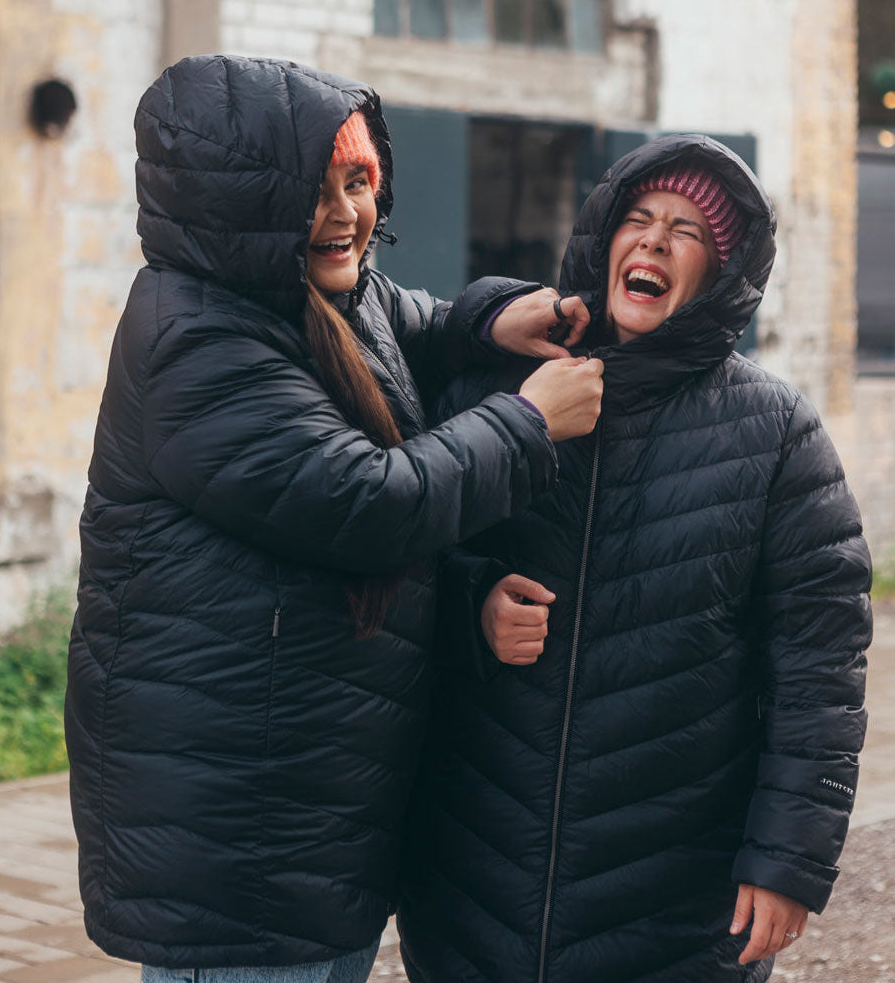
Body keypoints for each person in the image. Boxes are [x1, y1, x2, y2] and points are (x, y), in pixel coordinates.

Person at [63, 53, 606, 983]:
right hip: (236, 840)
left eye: (360, 180)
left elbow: (407, 322)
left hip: (301, 815)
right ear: (237, 206)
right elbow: (372, 502)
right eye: (315, 188)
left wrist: (492, 319)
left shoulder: (307, 294)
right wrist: (526, 424)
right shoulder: (197, 339)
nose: (348, 212)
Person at [398, 134, 873, 983]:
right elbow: (400, 553)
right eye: (639, 219)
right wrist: (471, 602)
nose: (653, 240)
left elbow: (820, 662)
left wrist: (788, 857)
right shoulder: (502, 391)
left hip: (669, 911)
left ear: (723, 273)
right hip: (475, 884)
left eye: (687, 230)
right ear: (603, 239)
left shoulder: (776, 433)